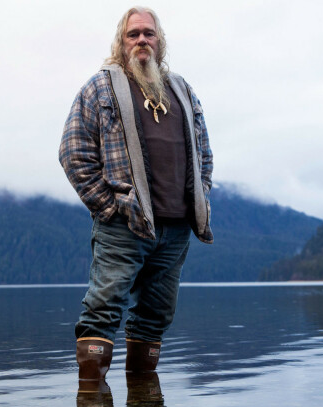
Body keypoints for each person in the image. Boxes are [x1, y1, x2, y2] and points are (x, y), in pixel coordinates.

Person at [59, 6, 213, 382]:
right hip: (123, 224)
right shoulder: (99, 88)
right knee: (103, 308)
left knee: (156, 315)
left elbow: (204, 155)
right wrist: (109, 207)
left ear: (160, 42)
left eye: (148, 33)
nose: (141, 40)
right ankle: (92, 403)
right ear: (121, 42)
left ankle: (145, 402)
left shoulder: (182, 90)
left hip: (176, 228)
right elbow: (73, 152)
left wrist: (198, 200)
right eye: (133, 34)